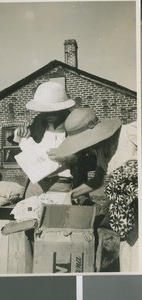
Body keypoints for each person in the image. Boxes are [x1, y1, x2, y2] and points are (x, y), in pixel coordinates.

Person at [48, 107, 138, 272]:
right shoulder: (102, 149)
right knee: (129, 259)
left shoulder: (130, 133)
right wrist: (71, 194)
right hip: (125, 215)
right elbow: (97, 180)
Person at [12, 81, 76, 198]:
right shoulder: (40, 121)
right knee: (27, 213)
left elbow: (93, 159)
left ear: (62, 109)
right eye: (43, 112)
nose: (46, 116)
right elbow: (26, 134)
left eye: (50, 112)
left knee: (56, 215)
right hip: (37, 183)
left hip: (62, 184)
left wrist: (71, 158)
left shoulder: (77, 124)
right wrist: (21, 131)